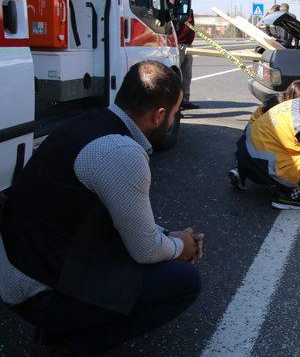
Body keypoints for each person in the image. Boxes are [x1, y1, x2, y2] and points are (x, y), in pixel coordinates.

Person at [0, 61, 203, 355]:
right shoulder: (122, 153)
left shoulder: (88, 124)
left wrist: (171, 236)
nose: (173, 121)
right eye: (174, 114)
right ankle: (73, 344)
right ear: (159, 116)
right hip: (36, 290)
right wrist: (180, 248)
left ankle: (69, 324)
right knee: (185, 282)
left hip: (23, 262)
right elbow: (145, 250)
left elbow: (121, 217)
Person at [172, 0, 198, 110]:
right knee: (176, 76)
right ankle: (175, 104)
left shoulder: (188, 8)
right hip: (176, 45)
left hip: (188, 45)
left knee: (187, 75)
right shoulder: (170, 6)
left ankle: (185, 101)